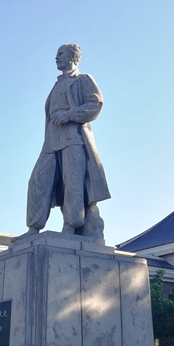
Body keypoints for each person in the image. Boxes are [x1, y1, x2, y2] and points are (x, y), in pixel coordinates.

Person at [26, 43, 110, 238]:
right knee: (38, 180)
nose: (56, 57)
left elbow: (95, 103)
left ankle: (71, 226)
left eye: (60, 53)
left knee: (73, 183)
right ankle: (33, 227)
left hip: (74, 137)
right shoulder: (57, 84)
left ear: (72, 56)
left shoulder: (83, 79)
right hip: (51, 140)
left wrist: (70, 115)